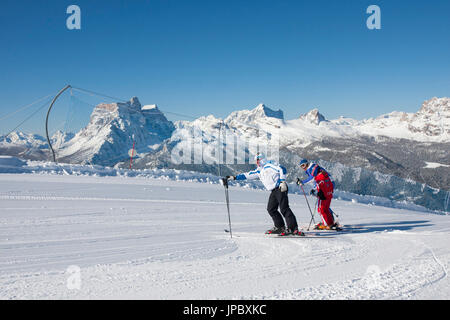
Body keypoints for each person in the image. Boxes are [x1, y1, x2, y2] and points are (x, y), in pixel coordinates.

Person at [226, 154, 303, 236]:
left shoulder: (270, 165)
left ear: (262, 159)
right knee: (271, 209)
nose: (257, 162)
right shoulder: (259, 171)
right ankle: (280, 227)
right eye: (256, 160)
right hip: (273, 190)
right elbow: (247, 175)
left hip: (280, 187)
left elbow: (282, 169)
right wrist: (234, 177)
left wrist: (282, 181)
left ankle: (293, 228)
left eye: (258, 160)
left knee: (284, 208)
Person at [296, 159, 338, 230]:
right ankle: (329, 221)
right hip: (328, 185)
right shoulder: (314, 168)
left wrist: (302, 182)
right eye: (301, 166)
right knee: (324, 206)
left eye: (303, 165)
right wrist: (315, 188)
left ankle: (327, 223)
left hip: (326, 186)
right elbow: (317, 180)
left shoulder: (312, 168)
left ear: (307, 164)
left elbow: (313, 178)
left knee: (321, 208)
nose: (303, 167)